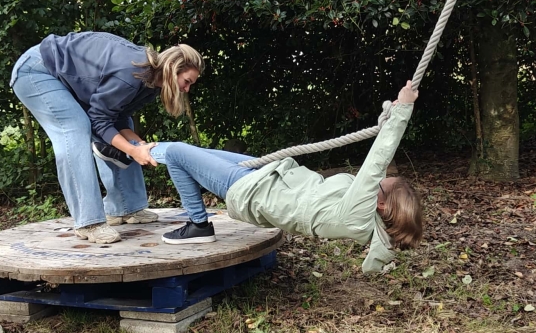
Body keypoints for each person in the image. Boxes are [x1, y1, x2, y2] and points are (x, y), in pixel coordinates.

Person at [140, 81, 422, 273]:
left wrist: (403, 112)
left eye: (380, 186)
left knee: (176, 152)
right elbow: (377, 169)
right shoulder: (366, 214)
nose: (375, 182)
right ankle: (129, 148)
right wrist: (393, 114)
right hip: (268, 177)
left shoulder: (358, 217)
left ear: (381, 204)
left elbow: (376, 163)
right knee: (191, 154)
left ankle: (198, 225)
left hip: (253, 191)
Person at [10, 33, 202, 244]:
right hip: (37, 70)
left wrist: (139, 145)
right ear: (172, 68)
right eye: (187, 81)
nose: (186, 89)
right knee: (75, 128)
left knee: (125, 129)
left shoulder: (151, 84)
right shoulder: (131, 74)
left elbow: (117, 118)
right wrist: (132, 151)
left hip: (63, 78)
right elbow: (99, 121)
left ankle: (125, 208)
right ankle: (89, 222)